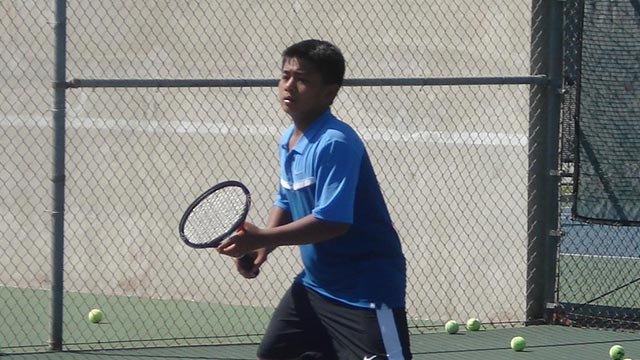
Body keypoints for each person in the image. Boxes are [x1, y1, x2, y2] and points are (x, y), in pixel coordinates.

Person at [217, 39, 412, 360]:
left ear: (330, 92)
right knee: (275, 353)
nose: (289, 85)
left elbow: (332, 221)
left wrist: (263, 236)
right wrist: (261, 248)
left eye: (303, 79)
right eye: (285, 76)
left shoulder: (335, 142)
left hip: (365, 292)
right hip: (315, 287)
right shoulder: (288, 139)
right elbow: (286, 197)